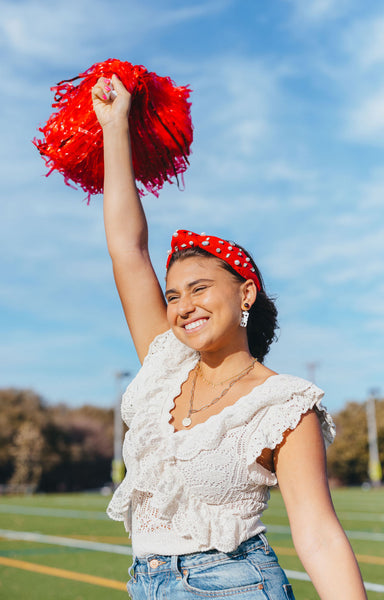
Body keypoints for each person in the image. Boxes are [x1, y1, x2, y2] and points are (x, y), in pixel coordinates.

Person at [92, 74, 367, 600]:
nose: (182, 306)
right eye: (172, 296)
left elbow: (319, 535)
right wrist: (114, 127)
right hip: (146, 584)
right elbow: (127, 249)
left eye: (199, 289)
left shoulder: (284, 404)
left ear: (245, 295)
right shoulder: (165, 365)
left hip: (234, 586)